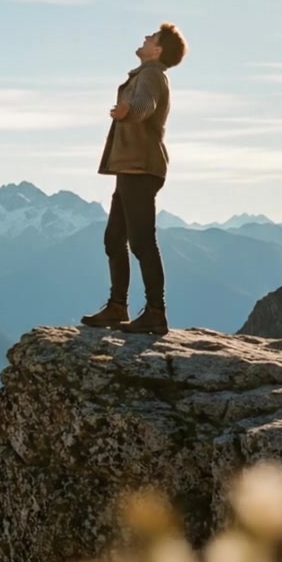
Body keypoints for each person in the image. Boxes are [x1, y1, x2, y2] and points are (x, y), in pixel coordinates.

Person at [81, 22, 188, 335]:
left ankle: (155, 312)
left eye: (151, 37)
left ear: (157, 50)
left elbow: (145, 105)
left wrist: (128, 110)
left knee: (141, 242)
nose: (145, 37)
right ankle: (118, 306)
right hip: (131, 170)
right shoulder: (146, 75)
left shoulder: (152, 75)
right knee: (114, 240)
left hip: (141, 170)